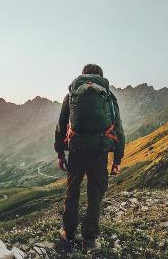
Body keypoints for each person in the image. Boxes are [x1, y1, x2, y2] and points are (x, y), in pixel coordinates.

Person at [54, 64, 125, 252]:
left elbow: (61, 127)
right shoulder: (109, 97)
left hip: (76, 151)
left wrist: (60, 154)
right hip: (100, 152)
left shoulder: (71, 96)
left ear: (83, 75)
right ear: (101, 77)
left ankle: (68, 233)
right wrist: (117, 160)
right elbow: (118, 129)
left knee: (72, 193)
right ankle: (89, 239)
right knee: (95, 195)